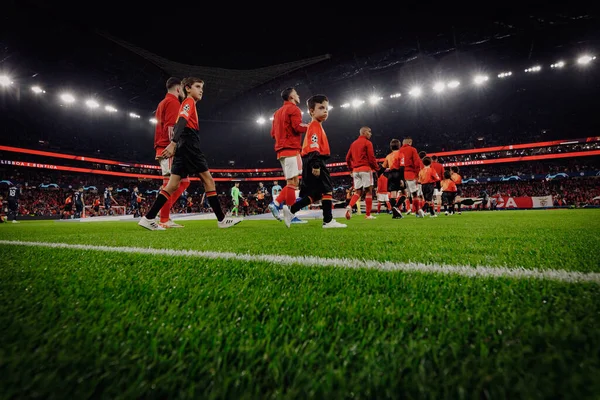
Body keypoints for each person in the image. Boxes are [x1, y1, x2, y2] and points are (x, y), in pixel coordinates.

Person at [139, 77, 242, 230]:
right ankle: (221, 220)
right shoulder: (188, 102)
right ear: (187, 88)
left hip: (183, 145)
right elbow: (180, 121)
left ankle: (148, 218)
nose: (201, 90)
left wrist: (176, 143)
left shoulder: (187, 103)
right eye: (198, 86)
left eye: (202, 87)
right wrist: (173, 143)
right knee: (208, 181)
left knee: (172, 185)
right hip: (189, 145)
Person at [282, 94, 346, 228]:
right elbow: (313, 145)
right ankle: (328, 221)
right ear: (312, 111)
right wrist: (316, 164)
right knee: (327, 190)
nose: (325, 110)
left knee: (316, 194)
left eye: (327, 108)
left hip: (310, 159)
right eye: (321, 107)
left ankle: (291, 210)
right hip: (315, 159)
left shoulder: (316, 126)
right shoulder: (315, 125)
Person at [268, 87, 309, 224]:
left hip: (281, 151)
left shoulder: (277, 113)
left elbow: (273, 133)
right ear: (291, 96)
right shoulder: (294, 109)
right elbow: (297, 127)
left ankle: (290, 215)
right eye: (296, 93)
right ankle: (277, 203)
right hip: (291, 148)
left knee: (291, 182)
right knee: (293, 182)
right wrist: (311, 126)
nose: (298, 95)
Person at [154, 77, 188, 229]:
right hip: (168, 149)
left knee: (184, 181)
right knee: (169, 184)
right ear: (178, 88)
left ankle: (159, 213)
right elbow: (170, 129)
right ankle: (163, 217)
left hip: (164, 148)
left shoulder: (162, 102)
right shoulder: (174, 102)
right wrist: (174, 147)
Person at [345, 126, 379, 220]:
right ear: (364, 132)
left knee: (358, 192)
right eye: (369, 132)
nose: (371, 134)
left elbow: (347, 158)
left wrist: (351, 169)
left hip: (355, 171)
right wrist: (377, 168)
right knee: (368, 191)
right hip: (366, 169)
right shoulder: (368, 143)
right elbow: (371, 158)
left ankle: (350, 206)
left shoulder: (353, 144)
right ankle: (368, 215)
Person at [399, 137, 424, 217]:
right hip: (410, 174)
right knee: (414, 194)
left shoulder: (399, 151)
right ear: (409, 142)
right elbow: (417, 163)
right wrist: (417, 175)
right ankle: (417, 212)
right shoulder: (412, 149)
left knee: (403, 194)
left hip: (400, 175)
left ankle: (398, 210)